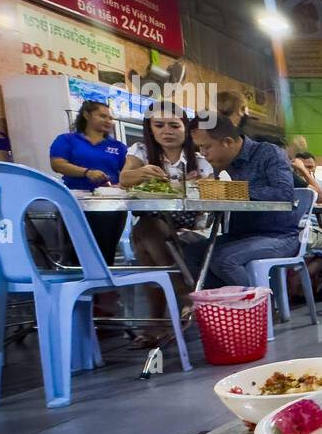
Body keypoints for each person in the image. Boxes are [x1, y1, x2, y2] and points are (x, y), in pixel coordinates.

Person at [118, 101, 215, 344]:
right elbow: (124, 178)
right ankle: (185, 297)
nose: (166, 131)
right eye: (159, 125)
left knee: (144, 236)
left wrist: (197, 187)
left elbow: (215, 196)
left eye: (174, 125)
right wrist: (142, 173)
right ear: (150, 129)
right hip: (156, 225)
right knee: (147, 230)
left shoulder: (200, 161)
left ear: (186, 129)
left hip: (193, 228)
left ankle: (159, 319)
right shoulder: (140, 153)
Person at [185, 114, 301, 288]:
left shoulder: (269, 153)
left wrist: (235, 191)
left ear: (228, 142)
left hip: (278, 236)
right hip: (240, 236)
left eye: (206, 147)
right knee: (190, 254)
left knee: (224, 260)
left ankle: (260, 309)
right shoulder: (222, 162)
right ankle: (223, 307)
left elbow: (284, 194)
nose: (203, 153)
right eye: (200, 147)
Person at [48, 100, 128, 263]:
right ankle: (80, 286)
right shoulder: (67, 140)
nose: (108, 121)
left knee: (106, 250)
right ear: (86, 115)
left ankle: (106, 286)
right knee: (76, 250)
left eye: (110, 118)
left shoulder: (118, 147)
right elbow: (57, 164)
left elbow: (127, 172)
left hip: (110, 205)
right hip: (75, 203)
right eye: (102, 116)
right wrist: (86, 173)